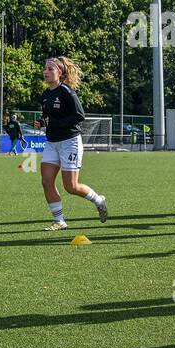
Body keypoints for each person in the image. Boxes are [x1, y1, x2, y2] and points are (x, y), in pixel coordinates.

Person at [40, 56, 109, 229]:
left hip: (69, 142)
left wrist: (53, 123)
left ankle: (98, 200)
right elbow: (49, 118)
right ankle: (59, 221)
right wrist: (42, 122)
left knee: (71, 186)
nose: (46, 72)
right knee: (46, 181)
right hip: (51, 142)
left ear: (60, 73)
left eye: (50, 69)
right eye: (45, 69)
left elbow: (79, 116)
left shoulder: (67, 91)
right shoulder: (46, 94)